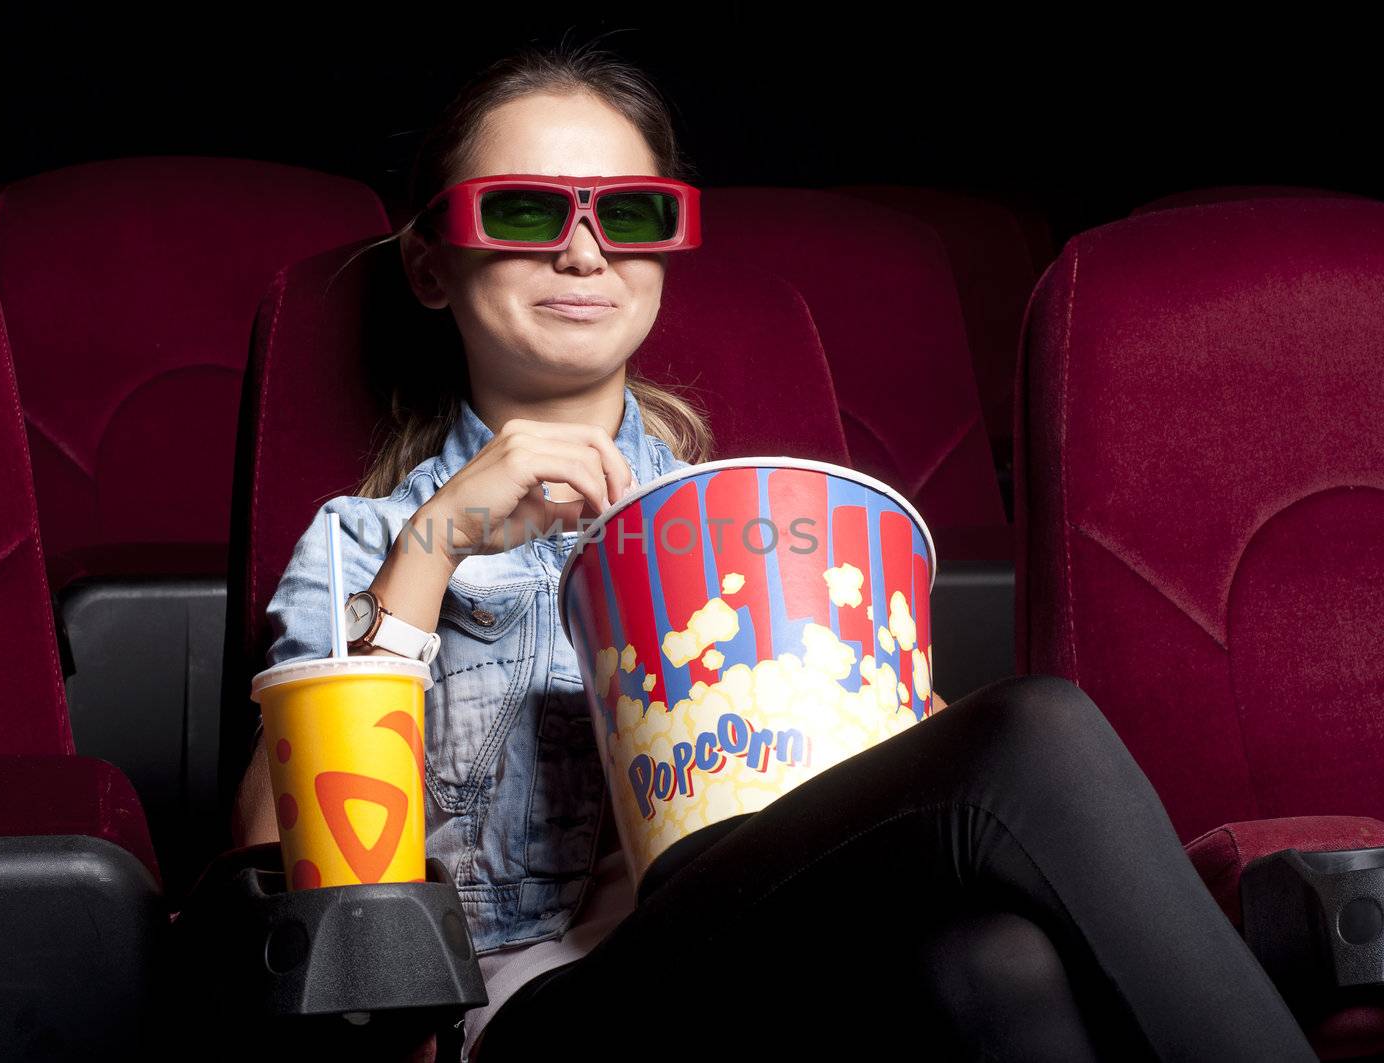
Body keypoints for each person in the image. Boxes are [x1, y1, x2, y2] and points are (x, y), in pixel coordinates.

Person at [232, 42, 1320, 1063]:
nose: (582, 249)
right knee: (1032, 730)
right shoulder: (368, 540)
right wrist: (437, 545)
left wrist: (900, 746)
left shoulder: (760, 532)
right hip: (534, 1012)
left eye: (632, 212)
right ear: (431, 267)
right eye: (522, 211)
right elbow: (283, 859)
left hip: (774, 964)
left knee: (995, 964)